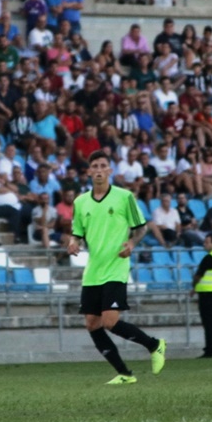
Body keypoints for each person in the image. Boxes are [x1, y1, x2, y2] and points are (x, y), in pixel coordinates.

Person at [66, 151, 167, 384]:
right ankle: (124, 374)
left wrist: (131, 243)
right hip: (93, 271)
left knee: (110, 322)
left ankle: (154, 345)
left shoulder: (124, 197)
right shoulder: (80, 202)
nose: (99, 169)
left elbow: (141, 227)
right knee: (92, 324)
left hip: (116, 267)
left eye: (103, 165)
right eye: (95, 166)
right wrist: (72, 244)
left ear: (110, 170)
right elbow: (77, 233)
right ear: (89, 171)